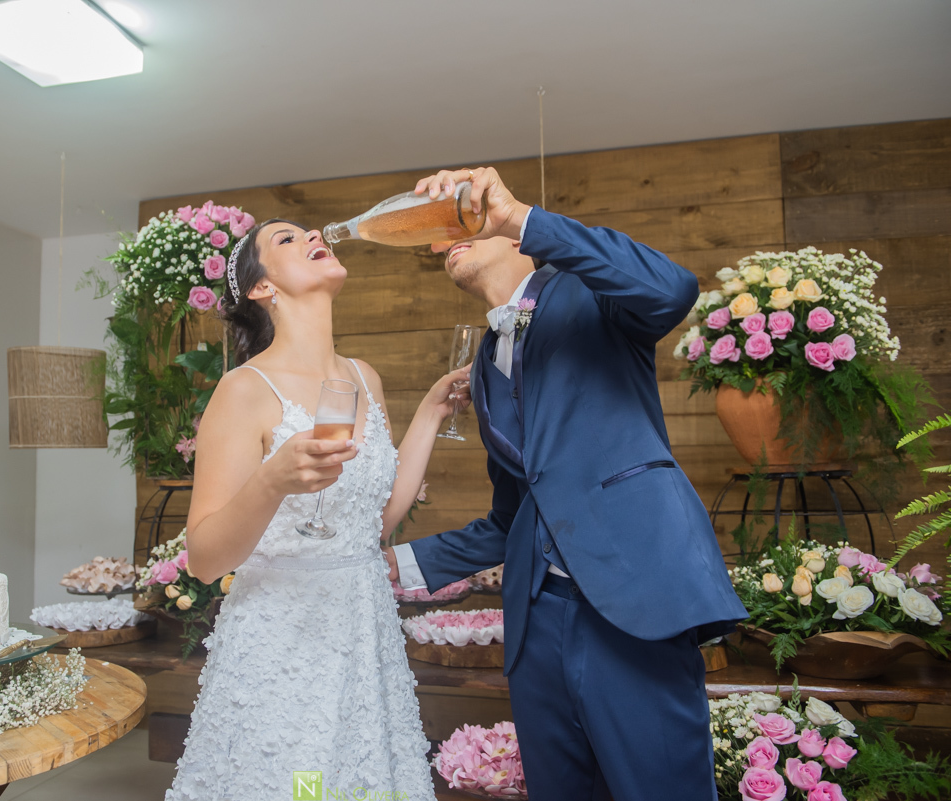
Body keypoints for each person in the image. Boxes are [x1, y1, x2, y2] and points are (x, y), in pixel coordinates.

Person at [384, 168, 748, 801]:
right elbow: (514, 515)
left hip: (635, 603)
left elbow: (673, 288)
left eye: (470, 223)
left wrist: (518, 215)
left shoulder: (591, 292)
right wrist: (401, 565)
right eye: (440, 242)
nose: (445, 239)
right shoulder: (484, 365)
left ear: (518, 236)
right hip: (537, 621)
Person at [164, 218, 468, 801]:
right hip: (283, 643)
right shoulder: (244, 389)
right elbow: (203, 560)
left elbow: (373, 524)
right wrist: (272, 481)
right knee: (298, 786)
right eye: (286, 239)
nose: (311, 238)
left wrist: (431, 412)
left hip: (363, 632)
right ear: (262, 287)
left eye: (310, 233)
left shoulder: (362, 378)